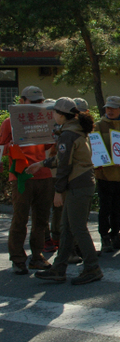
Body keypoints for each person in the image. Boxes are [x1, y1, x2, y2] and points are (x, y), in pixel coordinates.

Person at [28, 97, 103, 285]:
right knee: (67, 229)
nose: (53, 115)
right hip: (82, 183)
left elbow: (64, 167)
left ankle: (92, 267)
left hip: (77, 184)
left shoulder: (68, 134)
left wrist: (58, 191)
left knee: (77, 228)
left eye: (54, 112)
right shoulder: (76, 130)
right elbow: (64, 160)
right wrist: (41, 163)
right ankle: (59, 268)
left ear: (62, 115)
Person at [0, 86, 54, 275]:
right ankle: (18, 259)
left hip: (43, 175)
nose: (37, 105)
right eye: (33, 101)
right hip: (21, 177)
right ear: (22, 101)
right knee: (20, 218)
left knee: (41, 219)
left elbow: (49, 145)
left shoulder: (45, 120)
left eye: (40, 101)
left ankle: (37, 256)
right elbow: (1, 147)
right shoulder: (9, 123)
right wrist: (11, 145)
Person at [94, 96, 120, 253]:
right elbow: (95, 150)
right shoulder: (98, 126)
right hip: (104, 175)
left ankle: (116, 236)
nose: (109, 110)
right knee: (105, 208)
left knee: (117, 208)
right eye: (107, 108)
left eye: (113, 107)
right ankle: (105, 238)